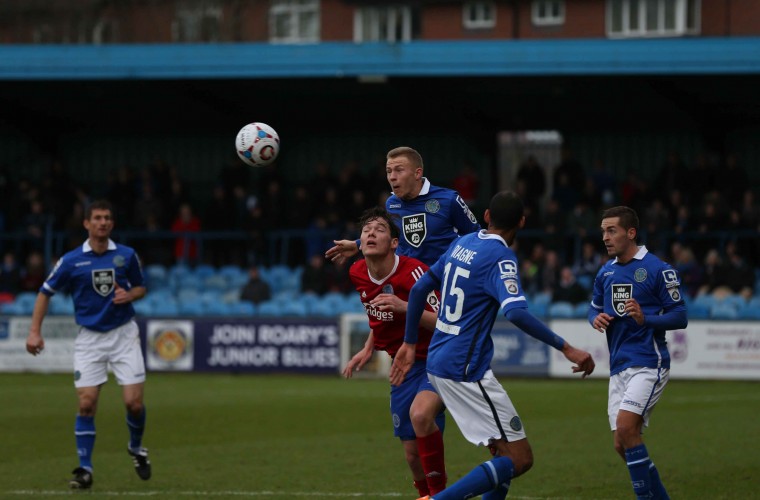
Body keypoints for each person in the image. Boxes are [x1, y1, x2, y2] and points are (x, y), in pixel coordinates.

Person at [396, 191, 595, 500]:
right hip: (466, 370)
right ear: (522, 222)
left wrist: (409, 342)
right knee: (520, 458)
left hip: (438, 361)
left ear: (486, 216)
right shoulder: (501, 257)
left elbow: (421, 287)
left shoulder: (462, 243)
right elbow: (515, 311)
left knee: (503, 453)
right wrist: (566, 347)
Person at [25, 199, 151, 490]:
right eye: (97, 218)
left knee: (134, 404)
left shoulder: (127, 255)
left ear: (112, 223)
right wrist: (34, 331)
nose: (102, 222)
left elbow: (141, 286)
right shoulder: (71, 261)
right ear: (86, 223)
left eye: (107, 218)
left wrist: (131, 295)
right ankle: (85, 469)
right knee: (86, 404)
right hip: (90, 339)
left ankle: (136, 448)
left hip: (123, 335)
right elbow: (45, 292)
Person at [343, 207, 448, 497]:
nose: (371, 233)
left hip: (438, 359)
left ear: (393, 243)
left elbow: (446, 325)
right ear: (360, 243)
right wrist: (368, 347)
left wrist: (407, 307)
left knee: (420, 415)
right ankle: (426, 494)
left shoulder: (415, 272)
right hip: (403, 365)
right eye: (366, 230)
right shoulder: (357, 272)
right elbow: (379, 315)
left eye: (379, 229)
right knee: (412, 455)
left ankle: (440, 495)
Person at [588, 206, 688, 500]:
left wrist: (648, 320)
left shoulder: (659, 269)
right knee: (622, 443)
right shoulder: (605, 271)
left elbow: (679, 316)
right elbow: (593, 306)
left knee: (626, 428)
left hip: (648, 361)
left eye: (612, 231)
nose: (605, 237)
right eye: (603, 231)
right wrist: (594, 318)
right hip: (618, 365)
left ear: (631, 233)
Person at [325, 146, 481, 267]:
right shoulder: (392, 203)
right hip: (407, 285)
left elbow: (477, 237)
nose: (392, 177)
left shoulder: (449, 199)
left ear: (417, 173)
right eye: (388, 171)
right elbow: (392, 236)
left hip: (442, 285)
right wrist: (357, 244)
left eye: (399, 170)